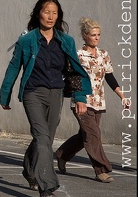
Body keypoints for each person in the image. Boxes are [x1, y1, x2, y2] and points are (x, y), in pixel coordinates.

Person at [0, 0, 92, 197]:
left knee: (45, 139)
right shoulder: (27, 40)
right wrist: (5, 94)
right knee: (42, 137)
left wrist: (80, 97)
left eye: (55, 12)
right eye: (46, 11)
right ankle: (47, 187)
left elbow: (74, 71)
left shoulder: (66, 40)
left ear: (59, 16)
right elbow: (14, 67)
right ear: (38, 13)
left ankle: (29, 169)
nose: (50, 16)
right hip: (33, 92)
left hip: (56, 92)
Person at [55, 17, 131, 183]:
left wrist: (122, 96)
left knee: (85, 136)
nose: (97, 38)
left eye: (98, 35)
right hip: (82, 102)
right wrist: (77, 97)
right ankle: (101, 170)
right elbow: (72, 79)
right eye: (93, 35)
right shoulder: (78, 55)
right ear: (85, 35)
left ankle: (62, 154)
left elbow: (109, 77)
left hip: (98, 102)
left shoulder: (103, 55)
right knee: (93, 135)